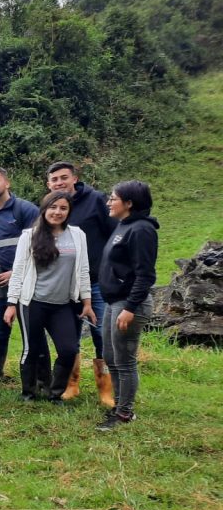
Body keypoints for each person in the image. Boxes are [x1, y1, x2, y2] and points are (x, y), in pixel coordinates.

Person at [4, 193, 97, 402]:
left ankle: (55, 393)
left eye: (63, 208)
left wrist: (87, 302)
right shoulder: (29, 236)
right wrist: (11, 303)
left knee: (68, 350)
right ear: (44, 209)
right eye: (53, 207)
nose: (57, 212)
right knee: (31, 349)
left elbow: (83, 270)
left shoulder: (77, 235)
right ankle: (28, 393)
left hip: (62, 304)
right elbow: (18, 272)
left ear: (69, 212)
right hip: (32, 303)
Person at [46, 161, 117, 404]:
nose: (59, 182)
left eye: (63, 177)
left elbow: (115, 234)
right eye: (54, 179)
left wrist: (112, 268)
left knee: (102, 334)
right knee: (69, 337)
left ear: (74, 178)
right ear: (48, 184)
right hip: (65, 286)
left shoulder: (96, 200)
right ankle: (71, 384)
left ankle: (105, 388)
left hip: (96, 282)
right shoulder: (50, 206)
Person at [96, 180, 158, 430]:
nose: (108, 202)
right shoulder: (123, 225)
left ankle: (124, 413)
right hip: (113, 301)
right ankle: (119, 405)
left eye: (113, 198)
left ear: (129, 203)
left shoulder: (142, 230)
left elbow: (145, 275)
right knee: (111, 357)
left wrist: (130, 307)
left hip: (129, 304)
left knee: (125, 360)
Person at [0, 166, 39, 385]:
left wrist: (15, 273)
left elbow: (40, 246)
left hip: (25, 281)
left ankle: (36, 380)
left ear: (7, 183)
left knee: (31, 331)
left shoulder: (25, 210)